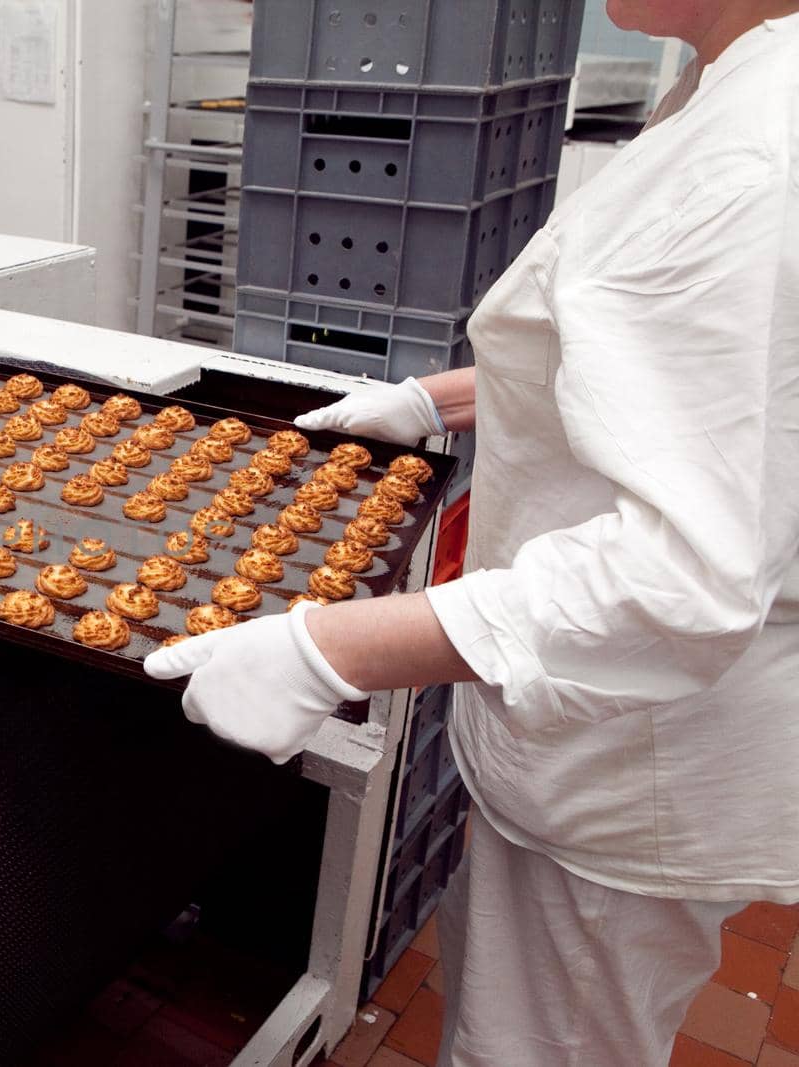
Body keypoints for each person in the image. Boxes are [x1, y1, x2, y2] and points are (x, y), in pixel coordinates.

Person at [146, 2, 799, 1064]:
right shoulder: (725, 85)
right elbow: (677, 379)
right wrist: (436, 401)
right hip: (595, 731)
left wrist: (330, 647)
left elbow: (685, 575)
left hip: (633, 762)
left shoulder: (764, 149)